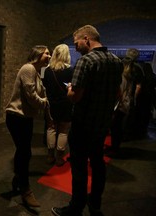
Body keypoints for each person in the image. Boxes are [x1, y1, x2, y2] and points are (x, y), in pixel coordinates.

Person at [51, 25, 123, 216]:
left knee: (80, 168)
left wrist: (69, 90)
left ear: (86, 39)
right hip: (102, 124)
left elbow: (75, 96)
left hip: (83, 124)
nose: (75, 48)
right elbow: (119, 94)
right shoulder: (116, 61)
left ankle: (76, 207)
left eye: (76, 43)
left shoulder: (86, 61)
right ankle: (95, 203)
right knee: (98, 165)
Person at [5, 45, 51, 208]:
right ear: (37, 54)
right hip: (17, 116)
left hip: (25, 117)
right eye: (46, 53)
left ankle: (18, 180)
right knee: (25, 152)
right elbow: (31, 96)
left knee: (23, 151)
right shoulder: (28, 68)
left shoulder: (37, 72)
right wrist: (44, 103)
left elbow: (40, 93)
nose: (49, 56)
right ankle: (25, 190)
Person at [107, 48, 144, 155]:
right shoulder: (135, 70)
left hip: (119, 102)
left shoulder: (120, 70)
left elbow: (117, 89)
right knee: (118, 126)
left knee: (115, 127)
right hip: (126, 102)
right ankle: (115, 147)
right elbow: (138, 86)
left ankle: (114, 149)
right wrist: (133, 99)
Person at [42, 44, 73, 166]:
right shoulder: (71, 70)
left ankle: (50, 156)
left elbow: (44, 87)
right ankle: (60, 158)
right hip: (66, 104)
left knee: (51, 128)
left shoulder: (47, 70)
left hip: (51, 104)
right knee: (63, 131)